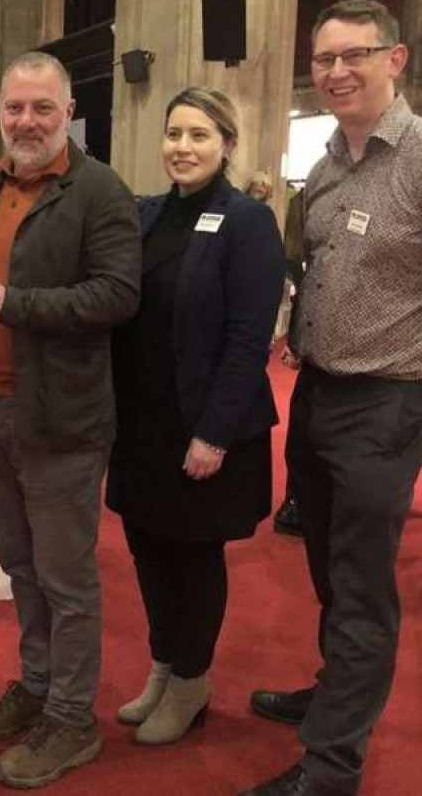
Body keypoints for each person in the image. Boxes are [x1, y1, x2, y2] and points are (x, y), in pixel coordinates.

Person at [242, 0, 422, 796]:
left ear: (397, 58)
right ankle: (338, 695)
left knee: (360, 585)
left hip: (389, 402)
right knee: (326, 566)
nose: (337, 72)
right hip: (318, 391)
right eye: (324, 60)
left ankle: (332, 766)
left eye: (356, 54)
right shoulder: (324, 166)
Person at [0, 51, 140, 789]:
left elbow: (117, 296)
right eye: (14, 107)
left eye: (42, 108)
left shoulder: (100, 191)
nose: (26, 121)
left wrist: (15, 304)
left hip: (63, 420)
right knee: (19, 567)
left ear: (68, 113)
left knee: (65, 579)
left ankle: (70, 718)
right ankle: (35, 686)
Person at [107, 87, 284, 746]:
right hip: (143, 422)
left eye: (200, 135)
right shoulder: (146, 215)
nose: (183, 147)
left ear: (227, 145)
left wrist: (213, 431)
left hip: (206, 426)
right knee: (147, 547)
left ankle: (191, 682)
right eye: (175, 134)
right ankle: (162, 667)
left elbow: (248, 337)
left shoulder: (247, 221)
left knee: (193, 553)